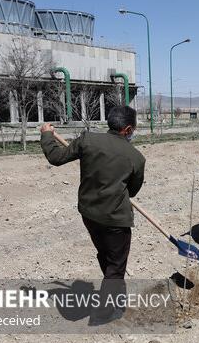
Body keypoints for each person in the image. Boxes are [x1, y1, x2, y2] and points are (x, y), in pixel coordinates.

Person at [39, 106, 145, 324]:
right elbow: (132, 191)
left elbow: (56, 157)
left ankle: (113, 291)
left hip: (89, 214)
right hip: (115, 219)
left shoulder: (87, 140)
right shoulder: (136, 157)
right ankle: (104, 314)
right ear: (127, 129)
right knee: (115, 266)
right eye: (133, 129)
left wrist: (47, 135)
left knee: (105, 255)